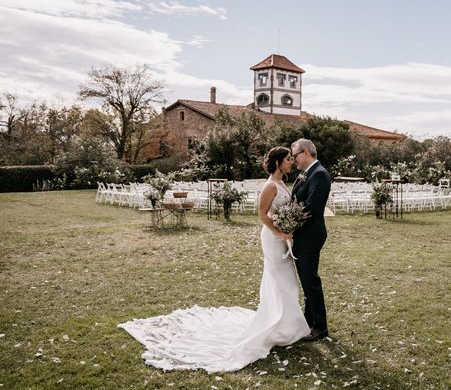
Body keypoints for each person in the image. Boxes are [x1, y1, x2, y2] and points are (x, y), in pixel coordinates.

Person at [117, 147, 310, 373]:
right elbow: (261, 214)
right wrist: (279, 232)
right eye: (288, 160)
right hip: (273, 238)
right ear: (278, 163)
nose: (290, 163)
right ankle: (278, 324)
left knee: (286, 278)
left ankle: (288, 323)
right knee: (278, 278)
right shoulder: (269, 185)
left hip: (282, 236)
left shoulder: (282, 183)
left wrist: (287, 226)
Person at [290, 138, 332, 342]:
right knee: (306, 281)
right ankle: (308, 321)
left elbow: (310, 207)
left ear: (305, 153)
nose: (293, 159)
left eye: (295, 155)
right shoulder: (306, 174)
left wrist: (288, 222)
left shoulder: (320, 175)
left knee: (310, 281)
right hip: (301, 234)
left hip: (310, 235)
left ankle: (320, 326)